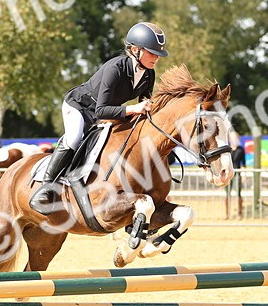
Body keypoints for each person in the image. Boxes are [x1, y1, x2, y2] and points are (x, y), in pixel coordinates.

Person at [28, 22, 168, 212]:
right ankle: (45, 188)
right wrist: (134, 109)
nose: (156, 58)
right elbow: (101, 110)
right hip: (80, 107)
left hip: (107, 112)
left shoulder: (148, 74)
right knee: (74, 138)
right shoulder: (115, 69)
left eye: (158, 54)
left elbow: (145, 106)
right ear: (135, 50)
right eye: (151, 52)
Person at [224, 130, 245, 219]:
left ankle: (240, 213)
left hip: (237, 173)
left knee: (238, 194)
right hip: (228, 173)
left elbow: (244, 163)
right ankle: (227, 214)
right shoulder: (227, 149)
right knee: (227, 194)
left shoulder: (241, 149)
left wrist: (244, 175)